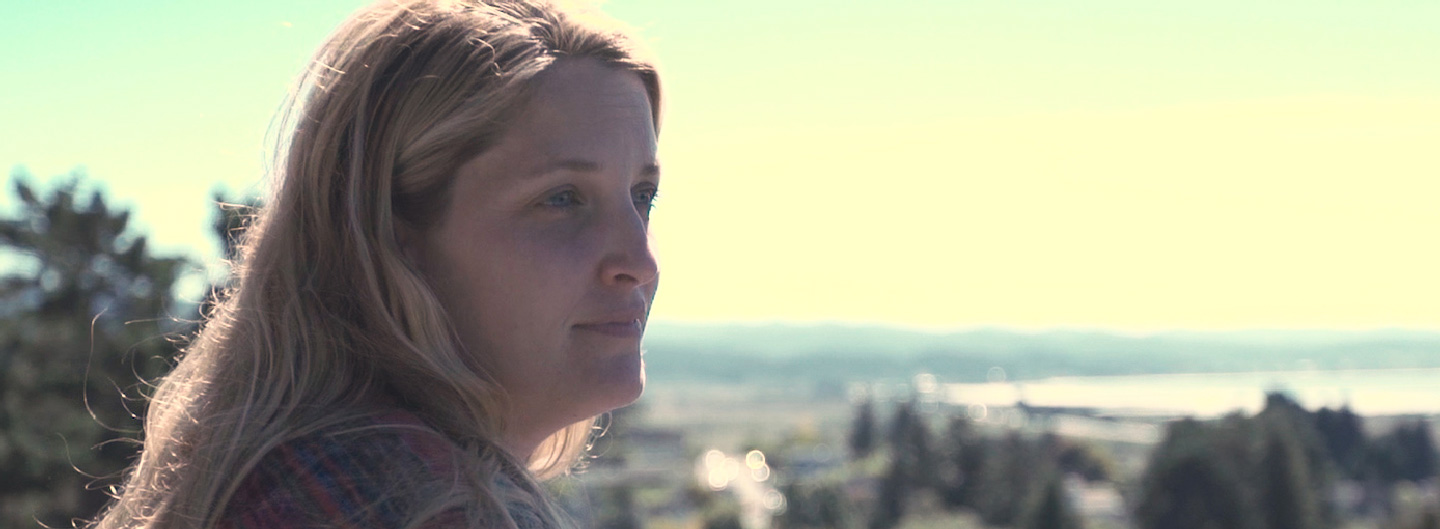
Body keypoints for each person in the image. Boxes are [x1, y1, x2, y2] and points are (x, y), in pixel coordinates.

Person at [95, 1, 662, 527]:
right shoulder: (407, 509)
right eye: (561, 199)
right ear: (389, 234)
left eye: (643, 196)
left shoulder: (299, 473)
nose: (639, 261)